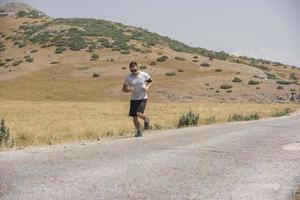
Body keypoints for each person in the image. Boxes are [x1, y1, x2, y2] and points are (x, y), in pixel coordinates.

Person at [122, 61, 153, 137]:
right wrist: (129, 90)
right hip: (134, 99)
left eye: (135, 70)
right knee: (134, 117)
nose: (133, 72)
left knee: (138, 113)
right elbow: (123, 89)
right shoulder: (128, 77)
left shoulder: (144, 75)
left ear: (137, 68)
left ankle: (146, 119)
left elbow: (150, 81)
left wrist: (147, 87)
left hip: (143, 98)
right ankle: (139, 131)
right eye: (131, 70)